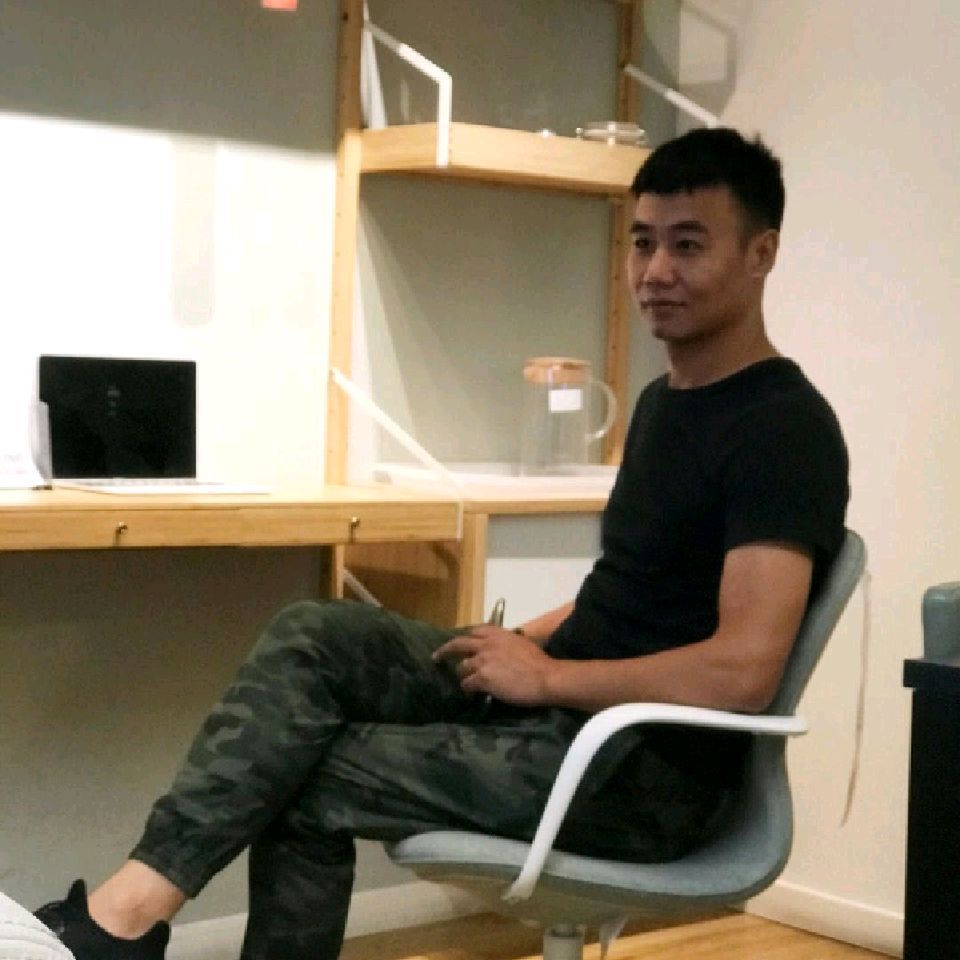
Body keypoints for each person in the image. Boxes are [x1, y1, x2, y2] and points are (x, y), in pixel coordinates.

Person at [34, 127, 849, 960]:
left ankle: (120, 927)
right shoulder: (664, 402)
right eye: (642, 242)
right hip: (568, 710)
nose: (655, 271)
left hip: (638, 773)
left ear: (761, 254)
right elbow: (636, 589)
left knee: (309, 775)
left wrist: (549, 677)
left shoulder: (782, 432)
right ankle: (127, 917)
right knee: (316, 634)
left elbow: (743, 671)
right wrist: (523, 641)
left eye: (688, 245)